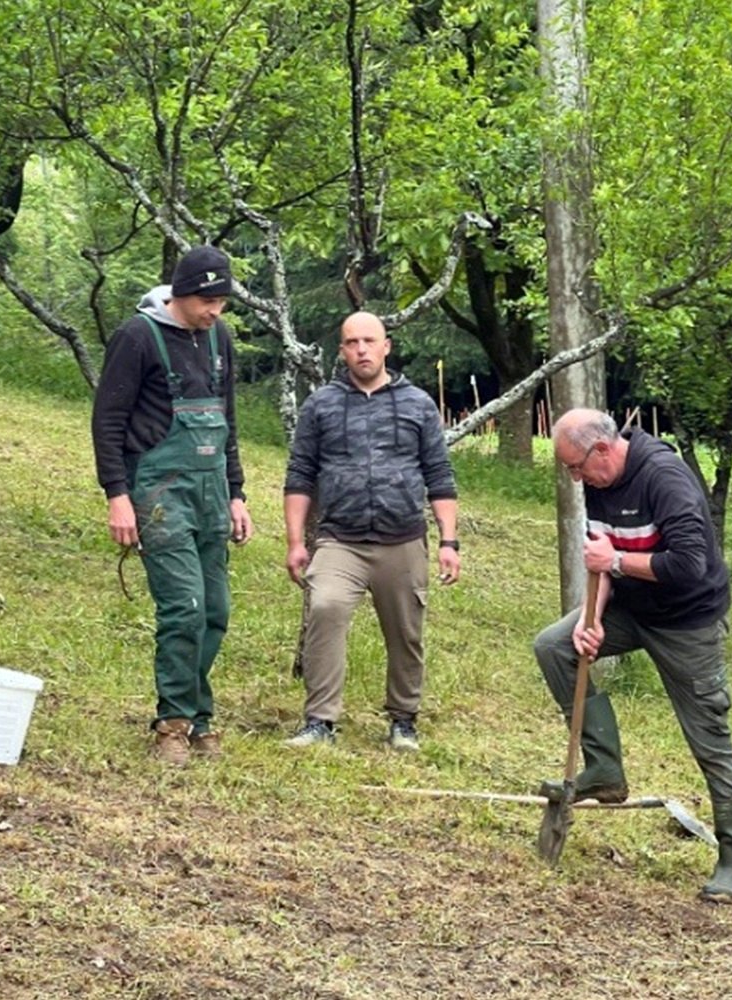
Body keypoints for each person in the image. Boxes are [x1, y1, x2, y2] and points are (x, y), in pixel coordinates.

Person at [533, 408, 732, 903]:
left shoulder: (665, 479)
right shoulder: (599, 478)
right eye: (569, 470)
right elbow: (600, 557)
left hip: (687, 621)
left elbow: (689, 565)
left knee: (709, 738)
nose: (575, 478)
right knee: (554, 645)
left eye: (576, 467)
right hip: (631, 609)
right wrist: (591, 619)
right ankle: (605, 770)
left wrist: (613, 559)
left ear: (602, 450)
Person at [91, 245, 254, 765]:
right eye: (208, 301)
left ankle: (198, 718)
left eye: (222, 302)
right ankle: (174, 724)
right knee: (185, 608)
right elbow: (107, 421)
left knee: (215, 610)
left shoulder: (219, 338)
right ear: (181, 293)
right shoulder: (137, 336)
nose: (215, 311)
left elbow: (227, 420)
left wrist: (237, 493)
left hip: (212, 492)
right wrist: (117, 495)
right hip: (158, 494)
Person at [282, 310, 461, 751]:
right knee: (325, 608)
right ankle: (320, 721)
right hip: (339, 539)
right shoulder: (321, 405)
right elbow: (300, 474)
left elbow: (439, 475)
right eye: (351, 343)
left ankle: (403, 719)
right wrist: (295, 541)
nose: (361, 350)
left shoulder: (418, 403)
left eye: (369, 341)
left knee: (406, 632)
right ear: (342, 351)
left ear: (386, 346)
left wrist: (449, 542)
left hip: (402, 539)